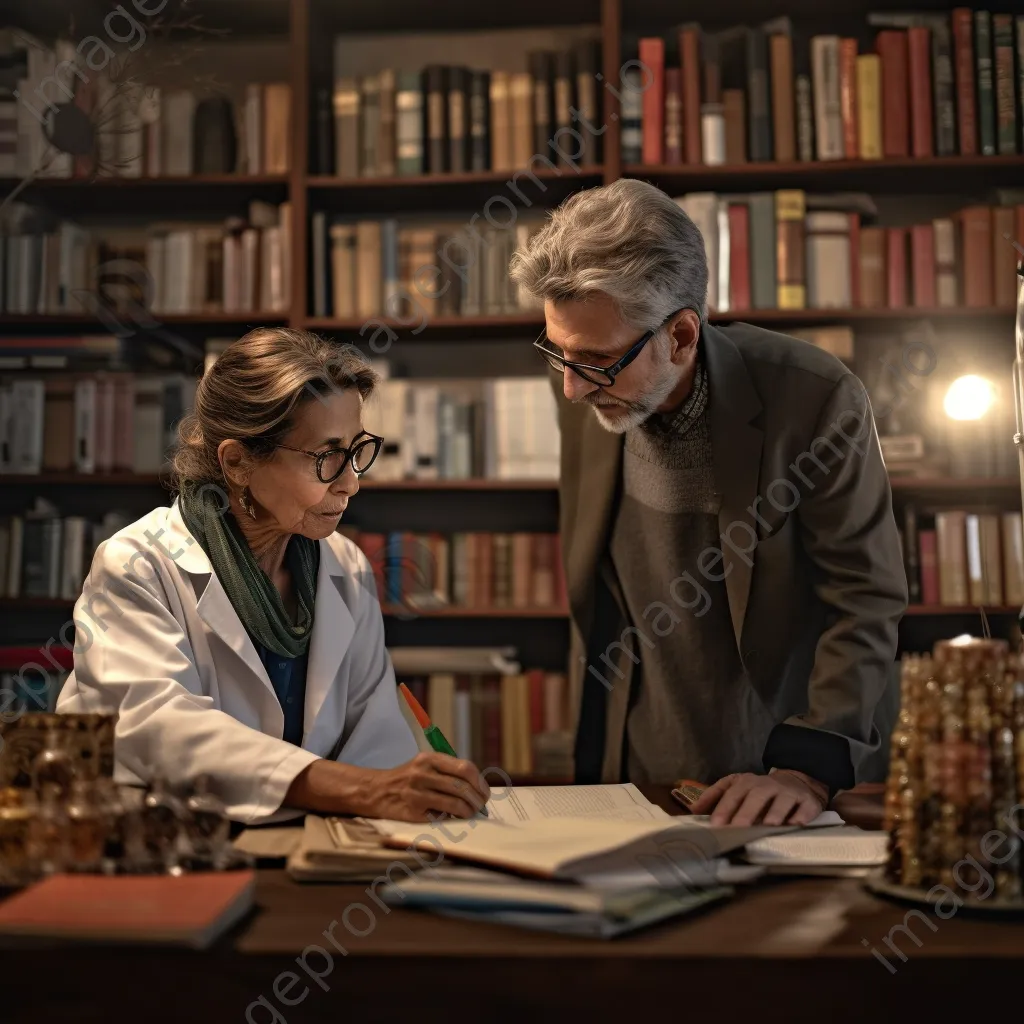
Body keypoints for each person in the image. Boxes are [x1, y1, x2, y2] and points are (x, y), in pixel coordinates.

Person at [509, 179, 907, 827]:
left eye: (598, 363)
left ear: (683, 336)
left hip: (793, 778)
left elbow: (864, 598)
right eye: (558, 354)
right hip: (640, 775)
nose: (573, 390)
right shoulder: (587, 378)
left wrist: (806, 768)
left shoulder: (814, 397)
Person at [57, 328, 489, 824]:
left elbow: (376, 732)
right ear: (238, 462)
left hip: (312, 841)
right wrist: (358, 789)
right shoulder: (138, 563)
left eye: (356, 450)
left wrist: (410, 794)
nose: (351, 482)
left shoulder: (342, 563)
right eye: (327, 457)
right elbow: (157, 728)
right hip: (169, 846)